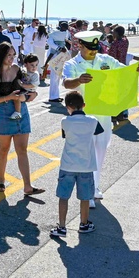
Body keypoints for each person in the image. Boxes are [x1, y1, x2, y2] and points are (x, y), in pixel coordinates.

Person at [62, 30, 139, 207]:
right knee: (88, 154)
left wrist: (136, 68)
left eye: (95, 48)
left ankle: (95, 186)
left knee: (100, 151)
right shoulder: (73, 63)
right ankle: (88, 193)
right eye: (90, 48)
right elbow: (66, 82)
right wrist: (79, 80)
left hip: (103, 114)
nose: (94, 52)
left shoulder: (105, 60)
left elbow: (123, 71)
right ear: (80, 46)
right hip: (83, 116)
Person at [50, 90, 103, 237]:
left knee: (63, 196)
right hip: (86, 166)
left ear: (68, 107)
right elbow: (98, 132)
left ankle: (61, 226)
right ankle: (84, 223)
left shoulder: (65, 121)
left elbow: (64, 135)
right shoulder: (93, 121)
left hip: (68, 165)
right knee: (85, 197)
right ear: (84, 105)